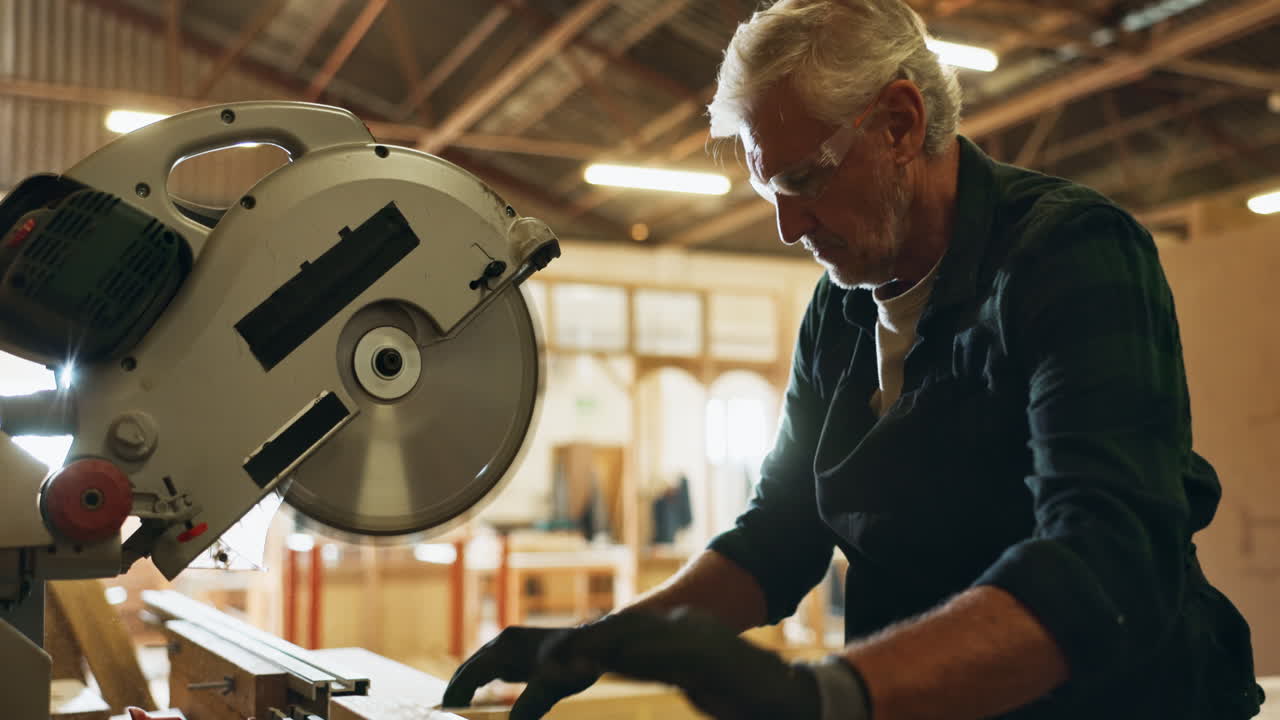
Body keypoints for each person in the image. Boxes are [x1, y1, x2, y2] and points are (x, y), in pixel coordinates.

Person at [442, 1, 1266, 718]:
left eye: (805, 179)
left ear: (900, 124)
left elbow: (1108, 564)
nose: (788, 227)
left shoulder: (1069, 256)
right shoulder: (839, 312)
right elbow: (780, 535)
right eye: (771, 190)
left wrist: (829, 697)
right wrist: (602, 641)